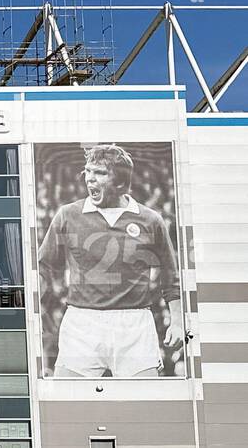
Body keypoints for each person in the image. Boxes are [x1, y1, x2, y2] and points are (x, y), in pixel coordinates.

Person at [37, 144, 184, 378]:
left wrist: (176, 322)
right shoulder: (67, 215)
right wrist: (34, 310)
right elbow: (42, 267)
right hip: (82, 323)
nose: (90, 179)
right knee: (68, 405)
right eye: (88, 171)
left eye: (100, 173)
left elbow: (171, 277)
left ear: (120, 181)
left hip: (134, 324)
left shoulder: (151, 220)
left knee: (144, 406)